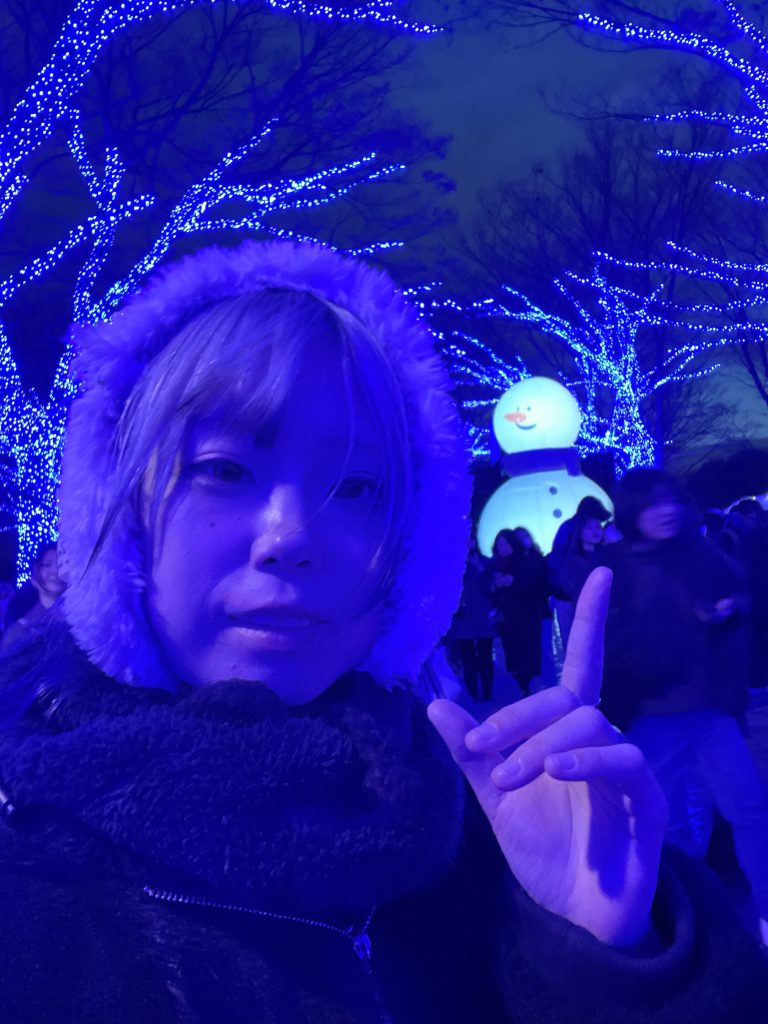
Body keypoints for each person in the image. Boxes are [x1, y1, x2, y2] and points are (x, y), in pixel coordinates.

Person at [0, 242, 764, 1024]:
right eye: (224, 469)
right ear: (117, 508)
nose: (290, 535)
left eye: (357, 486)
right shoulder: (26, 865)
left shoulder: (488, 830)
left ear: (410, 548)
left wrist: (606, 962)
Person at [599, 468, 768, 945]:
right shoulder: (613, 566)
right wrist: (649, 654)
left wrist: (725, 612)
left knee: (751, 810)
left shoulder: (700, 552)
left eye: (671, 500)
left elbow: (738, 594)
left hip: (710, 710)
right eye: (653, 503)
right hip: (650, 715)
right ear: (632, 509)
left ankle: (764, 912)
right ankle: (688, 924)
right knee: (663, 824)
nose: (666, 511)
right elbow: (605, 638)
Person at [490, 527, 550, 697]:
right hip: (506, 618)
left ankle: (533, 684)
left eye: (506, 543)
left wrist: (514, 581)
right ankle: (524, 685)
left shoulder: (526, 560)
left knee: (530, 651)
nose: (503, 547)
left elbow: (537, 582)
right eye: (500, 544)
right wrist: (494, 584)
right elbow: (484, 585)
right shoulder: (494, 563)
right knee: (513, 653)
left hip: (528, 614)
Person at [548, 510, 604, 649]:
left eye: (598, 526)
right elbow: (574, 588)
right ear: (579, 532)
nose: (595, 531)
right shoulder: (572, 561)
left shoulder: (607, 555)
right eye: (589, 528)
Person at [449, 537, 495, 702]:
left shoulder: (485, 562)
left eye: (470, 539)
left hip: (483, 613)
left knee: (485, 655)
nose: (468, 543)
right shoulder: (453, 563)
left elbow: (493, 585)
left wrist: (479, 567)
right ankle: (473, 692)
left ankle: (487, 692)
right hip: (463, 616)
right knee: (467, 656)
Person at [0, 542, 65, 655]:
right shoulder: (18, 611)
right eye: (47, 564)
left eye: (61, 564)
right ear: (36, 571)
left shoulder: (81, 614)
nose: (55, 571)